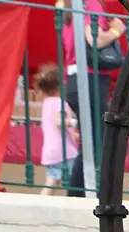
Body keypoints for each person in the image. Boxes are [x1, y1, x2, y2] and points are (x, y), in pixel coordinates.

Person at [56, 0, 125, 197]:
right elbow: (94, 40)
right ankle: (78, 196)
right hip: (90, 79)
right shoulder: (90, 3)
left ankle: (78, 194)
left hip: (74, 79)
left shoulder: (67, 6)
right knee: (98, 143)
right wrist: (115, 31)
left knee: (91, 141)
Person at [34, 64, 80, 195]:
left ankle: (41, 204)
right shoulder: (60, 103)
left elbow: (54, 126)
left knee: (52, 180)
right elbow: (59, 122)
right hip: (64, 152)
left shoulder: (47, 103)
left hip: (51, 151)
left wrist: (73, 135)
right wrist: (76, 122)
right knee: (76, 180)